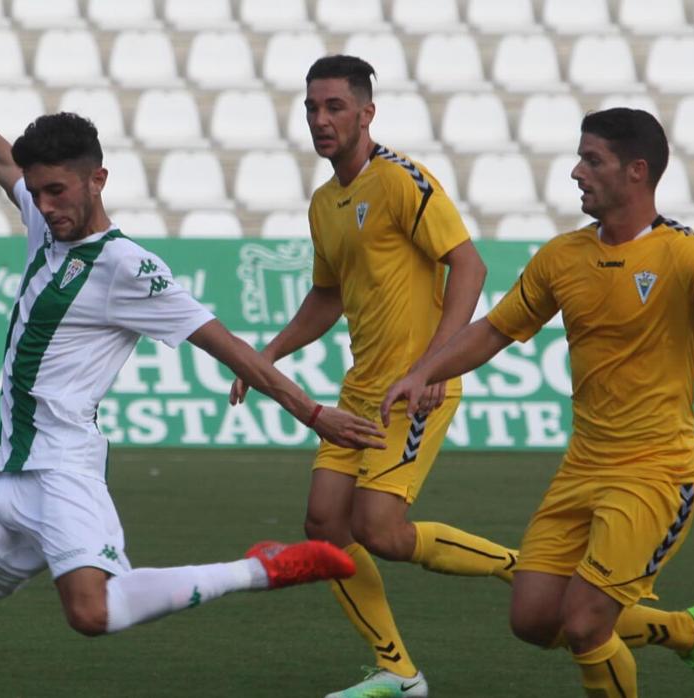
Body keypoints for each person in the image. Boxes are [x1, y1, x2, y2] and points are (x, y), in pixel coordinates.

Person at [0, 53, 389, 696]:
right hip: (11, 476)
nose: (44, 204)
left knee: (91, 613)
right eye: (37, 193)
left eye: (57, 191)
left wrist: (312, 413)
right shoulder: (45, 222)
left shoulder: (128, 268)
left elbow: (228, 347)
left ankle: (255, 569)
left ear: (98, 181)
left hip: (63, 470)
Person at [382, 107, 694, 697]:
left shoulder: (685, 255)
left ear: (637, 172)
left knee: (586, 623)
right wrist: (424, 373)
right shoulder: (562, 258)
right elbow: (494, 329)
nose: (576, 172)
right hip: (582, 468)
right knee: (534, 619)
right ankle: (686, 631)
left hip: (655, 474)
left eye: (592, 160)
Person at [230, 55, 517, 698]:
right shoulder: (324, 203)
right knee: (324, 523)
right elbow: (326, 298)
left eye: (334, 107)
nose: (320, 119)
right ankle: (398, 671)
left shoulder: (400, 180)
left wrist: (433, 366)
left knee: (379, 530)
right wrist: (268, 355)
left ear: (366, 113)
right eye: (311, 108)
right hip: (363, 389)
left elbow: (469, 268)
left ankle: (526, 569)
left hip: (417, 386)